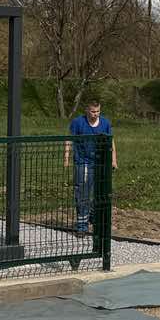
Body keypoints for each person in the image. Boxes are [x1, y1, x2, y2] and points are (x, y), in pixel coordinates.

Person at [63, 99, 117, 235]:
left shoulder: (105, 123)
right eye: (93, 111)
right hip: (83, 161)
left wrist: (114, 160)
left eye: (98, 111)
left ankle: (93, 215)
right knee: (82, 193)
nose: (95, 114)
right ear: (87, 110)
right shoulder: (78, 122)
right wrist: (66, 157)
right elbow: (69, 139)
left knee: (102, 193)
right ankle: (82, 226)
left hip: (100, 162)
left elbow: (111, 141)